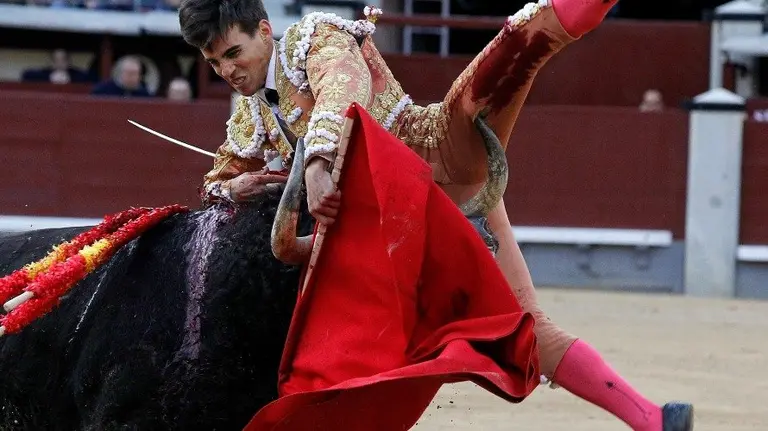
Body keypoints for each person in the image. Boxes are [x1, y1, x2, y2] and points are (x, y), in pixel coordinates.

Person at [178, 0, 694, 429]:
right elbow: (216, 181)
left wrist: (315, 160)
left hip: (432, 163)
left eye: (232, 53)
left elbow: (343, 85)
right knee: (519, 334)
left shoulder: (311, 39)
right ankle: (655, 420)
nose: (227, 70)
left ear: (264, 31)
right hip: (394, 233)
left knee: (517, 46)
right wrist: (235, 186)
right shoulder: (252, 114)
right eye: (214, 62)